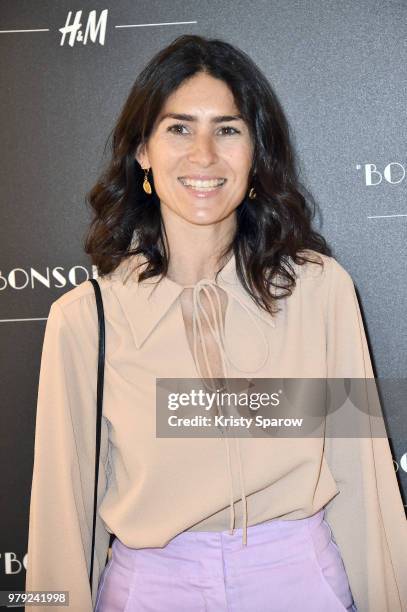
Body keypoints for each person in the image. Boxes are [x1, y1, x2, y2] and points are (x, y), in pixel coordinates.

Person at [25, 34, 406, 612]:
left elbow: (364, 482)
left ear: (255, 153)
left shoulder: (320, 290)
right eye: (179, 128)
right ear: (143, 152)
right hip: (150, 591)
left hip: (301, 584)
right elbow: (60, 517)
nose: (203, 155)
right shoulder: (85, 319)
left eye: (227, 129)